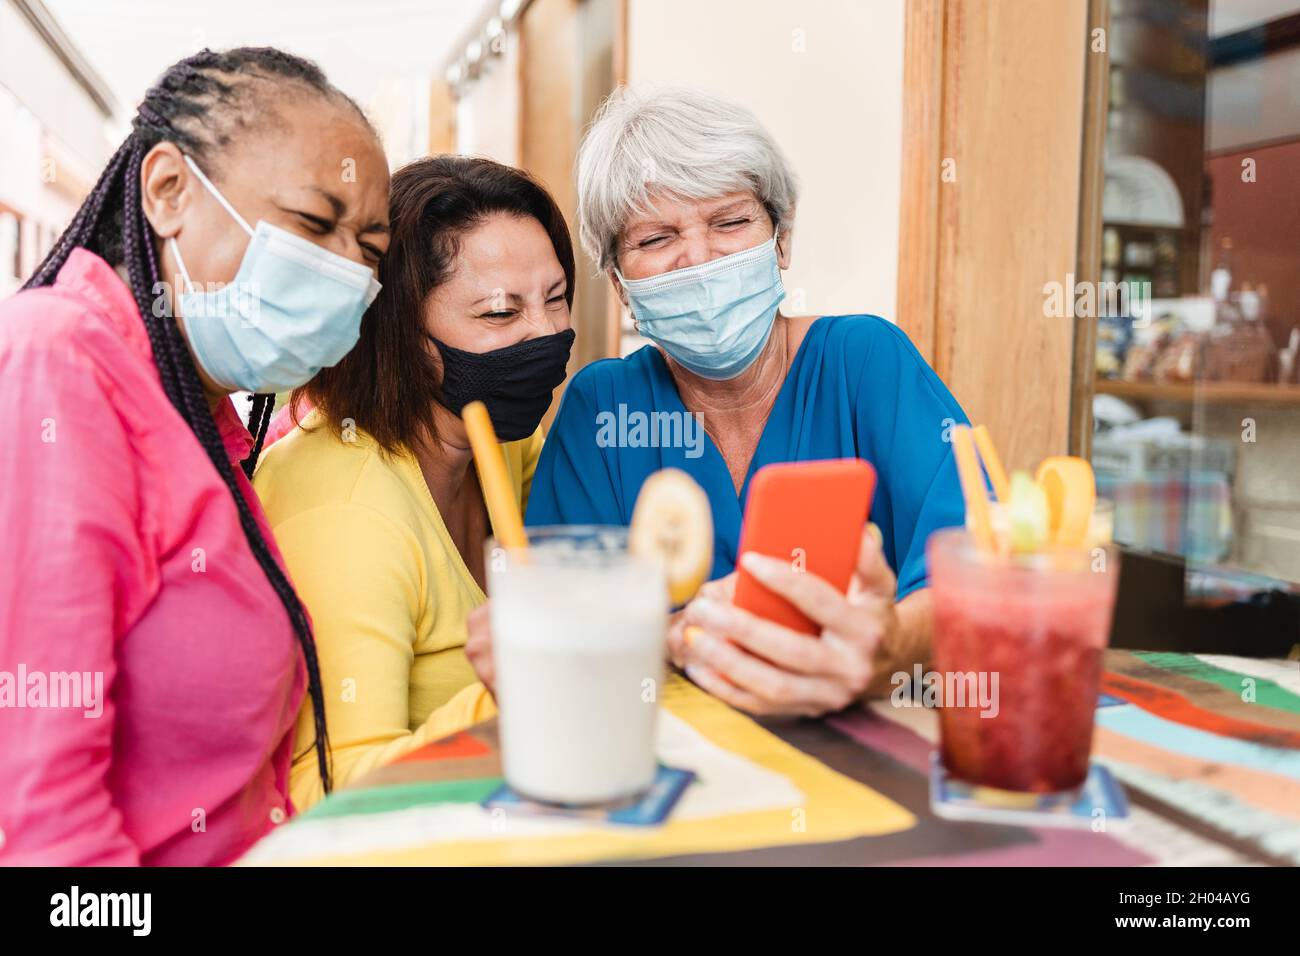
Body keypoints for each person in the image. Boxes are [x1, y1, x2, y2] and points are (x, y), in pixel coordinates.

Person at [0, 48, 391, 865]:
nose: (346, 271)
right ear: (169, 190)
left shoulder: (203, 415)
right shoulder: (60, 362)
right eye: (316, 225)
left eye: (370, 249)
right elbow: (48, 829)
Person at [520, 86, 970, 717]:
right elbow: (557, 619)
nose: (699, 259)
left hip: (866, 758)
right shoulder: (603, 409)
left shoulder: (866, 363)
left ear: (780, 242)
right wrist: (670, 640)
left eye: (730, 222)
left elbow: (976, 569)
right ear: (620, 286)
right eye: (656, 239)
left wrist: (891, 644)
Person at [253, 156, 575, 809]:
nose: (545, 335)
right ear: (403, 333)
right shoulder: (347, 513)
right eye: (498, 313)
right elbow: (328, 789)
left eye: (557, 298)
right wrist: (513, 692)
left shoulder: (504, 448)